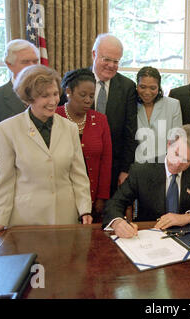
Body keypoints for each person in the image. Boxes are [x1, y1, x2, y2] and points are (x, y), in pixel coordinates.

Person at [0, 65, 93, 237]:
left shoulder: (70, 128)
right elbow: (5, 180)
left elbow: (78, 175)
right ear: (28, 98)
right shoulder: (6, 129)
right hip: (27, 220)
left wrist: (84, 210)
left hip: (65, 218)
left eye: (55, 94)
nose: (53, 101)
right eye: (45, 96)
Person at [102, 125, 190, 238]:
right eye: (177, 153)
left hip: (188, 237)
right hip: (149, 237)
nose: (178, 163)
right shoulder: (141, 171)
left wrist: (187, 217)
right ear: (169, 145)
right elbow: (115, 203)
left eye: (187, 160)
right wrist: (117, 222)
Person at [56, 68, 112, 221]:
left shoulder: (100, 120)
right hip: (61, 196)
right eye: (83, 95)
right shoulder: (55, 117)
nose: (88, 100)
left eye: (91, 96)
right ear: (68, 91)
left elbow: (106, 161)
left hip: (92, 195)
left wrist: (102, 197)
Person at [0, 39, 40, 169]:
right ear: (9, 64)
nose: (32, 66)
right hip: (11, 173)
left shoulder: (54, 95)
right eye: (25, 62)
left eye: (35, 61)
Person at [91, 33, 137, 194]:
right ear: (94, 54)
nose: (111, 65)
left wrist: (125, 169)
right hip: (81, 164)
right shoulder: (77, 80)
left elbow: (130, 132)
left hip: (113, 166)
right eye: (106, 59)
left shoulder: (127, 87)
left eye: (116, 61)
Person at [135, 66, 182, 162]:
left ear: (159, 87)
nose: (147, 92)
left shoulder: (173, 105)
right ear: (137, 86)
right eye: (142, 87)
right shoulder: (130, 104)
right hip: (135, 164)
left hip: (163, 163)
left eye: (152, 88)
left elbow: (176, 140)